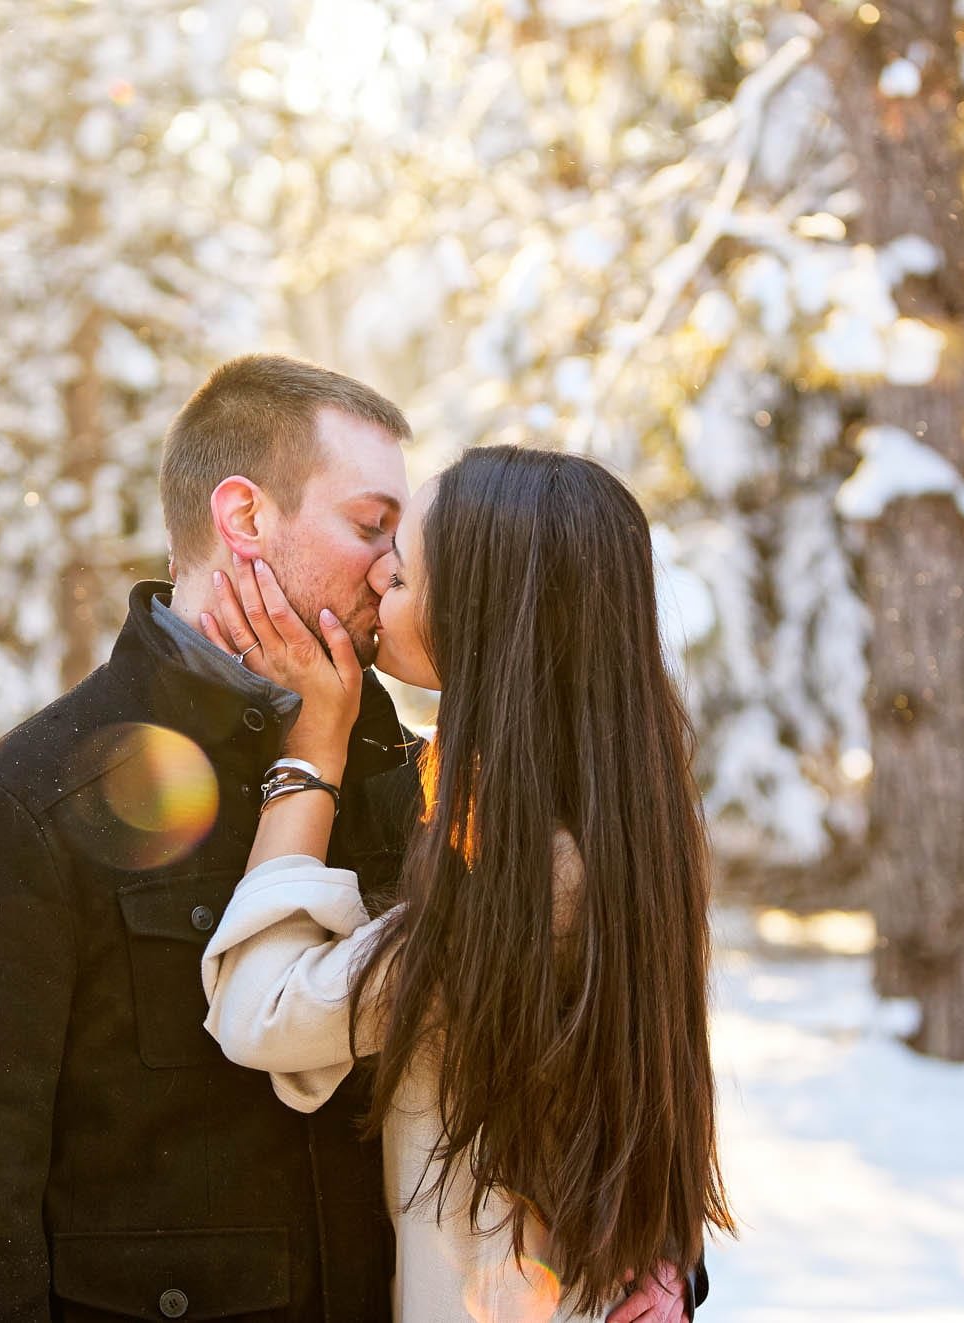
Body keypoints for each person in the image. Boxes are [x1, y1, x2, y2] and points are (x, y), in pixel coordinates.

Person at [0, 354, 424, 1321]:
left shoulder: (404, 779)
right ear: (245, 518)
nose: (393, 566)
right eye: (370, 525)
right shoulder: (24, 807)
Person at [198, 445, 733, 1321]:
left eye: (400, 572)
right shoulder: (613, 814)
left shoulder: (531, 889)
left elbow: (260, 1008)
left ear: (484, 626)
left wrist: (312, 755)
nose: (376, 575)